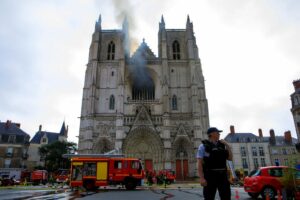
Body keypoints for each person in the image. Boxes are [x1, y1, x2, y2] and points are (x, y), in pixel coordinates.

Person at [197, 127, 233, 200]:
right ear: (212, 134)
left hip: (222, 176)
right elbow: (199, 163)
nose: (219, 134)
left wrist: (227, 145)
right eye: (217, 132)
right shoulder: (203, 146)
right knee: (209, 197)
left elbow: (230, 158)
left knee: (226, 197)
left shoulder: (222, 145)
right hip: (210, 176)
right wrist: (201, 178)